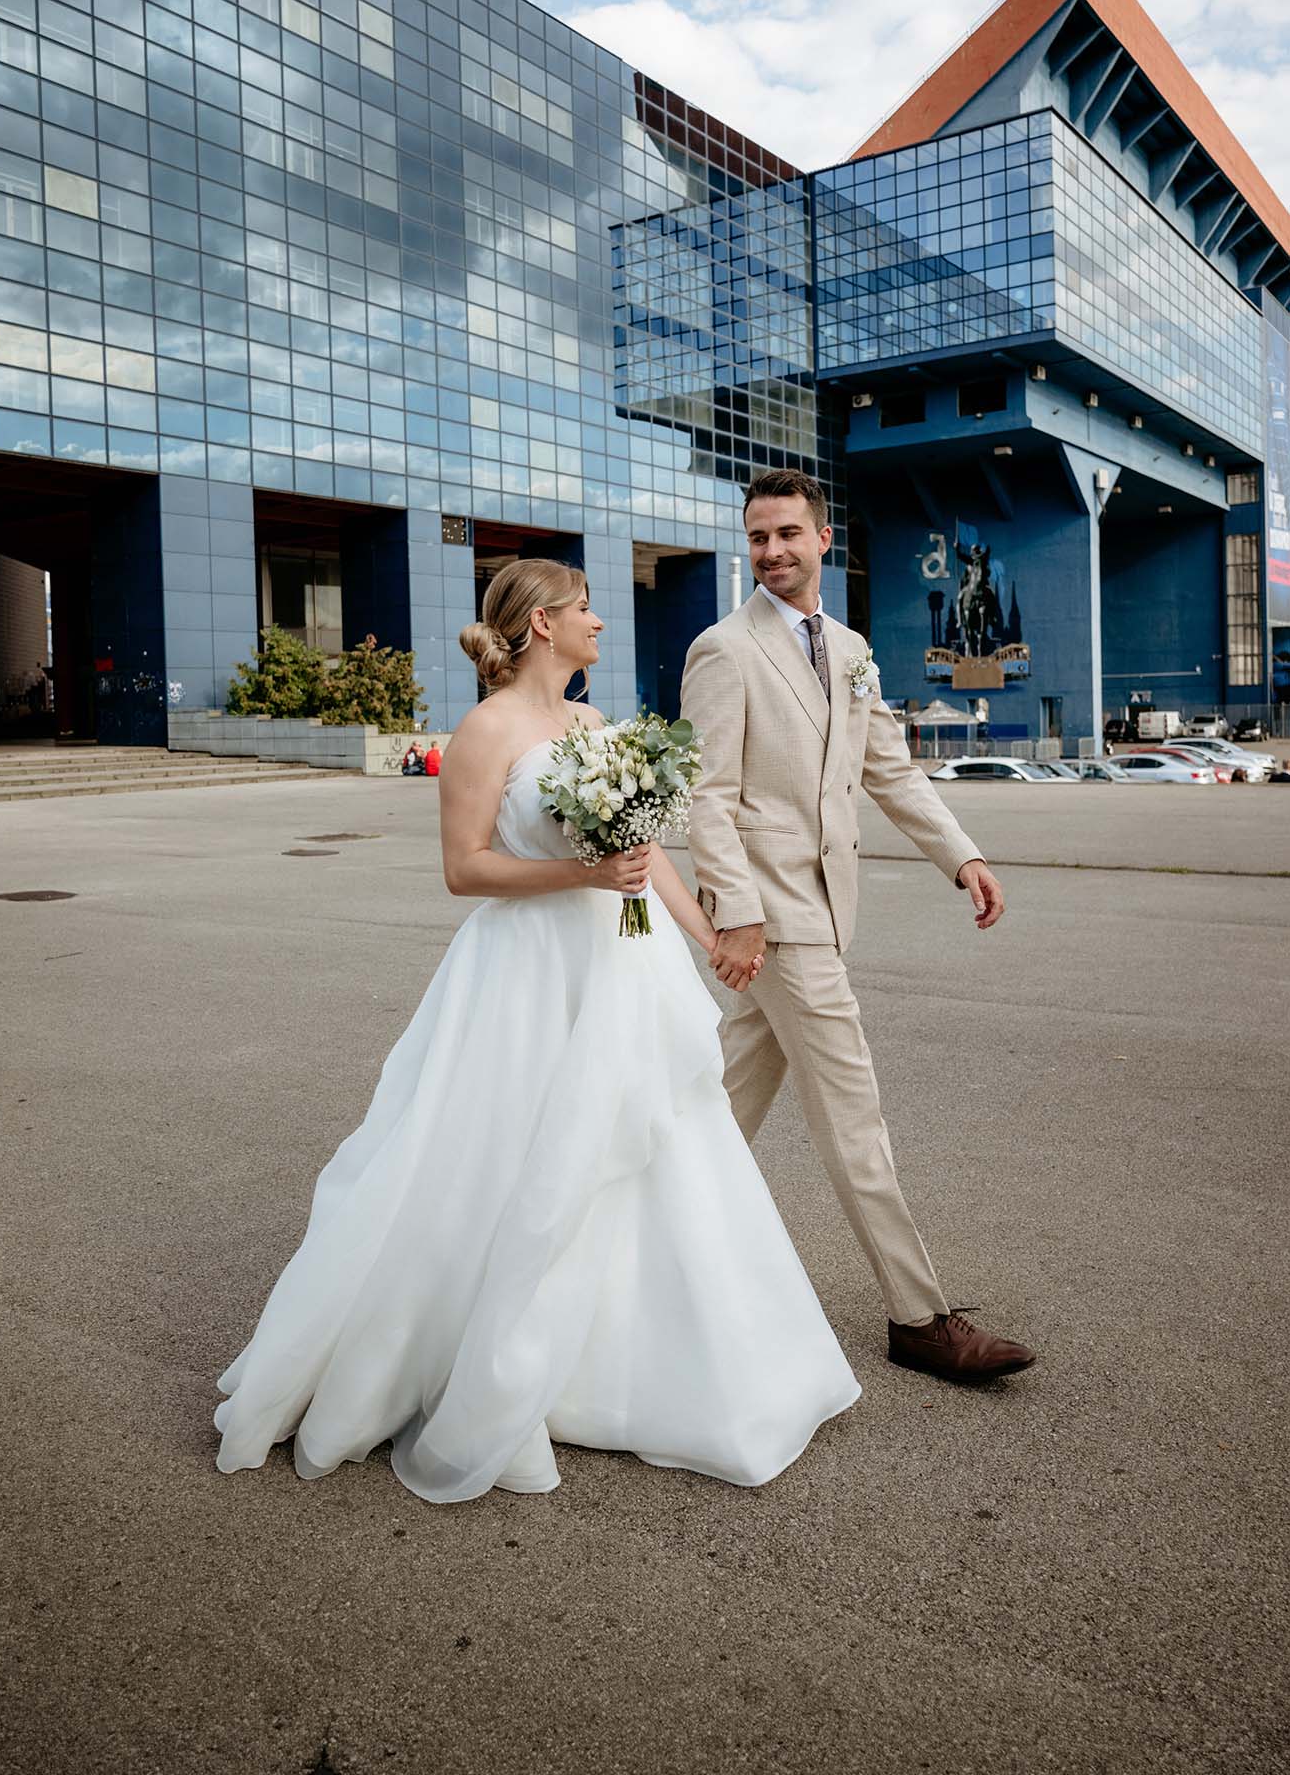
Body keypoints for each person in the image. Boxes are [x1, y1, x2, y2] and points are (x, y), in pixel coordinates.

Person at [215, 557, 859, 1501]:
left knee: (653, 1149)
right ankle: (495, 1359)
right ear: (543, 624)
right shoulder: (486, 730)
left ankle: (650, 1357)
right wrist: (580, 878)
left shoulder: (595, 725)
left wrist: (712, 933)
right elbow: (464, 871)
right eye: (586, 608)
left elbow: (643, 856)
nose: (600, 620)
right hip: (524, 975)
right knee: (510, 1159)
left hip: (623, 963)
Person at [681, 469, 1035, 1386]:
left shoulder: (848, 647)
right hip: (779, 920)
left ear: (823, 539)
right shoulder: (722, 649)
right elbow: (707, 799)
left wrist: (963, 856)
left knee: (707, 1114)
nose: (772, 552)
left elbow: (891, 772)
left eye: (788, 534)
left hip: (829, 909)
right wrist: (741, 916)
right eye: (757, 537)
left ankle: (615, 1259)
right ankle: (918, 1318)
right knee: (854, 1118)